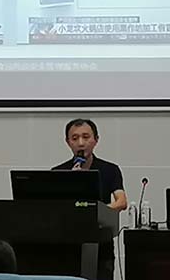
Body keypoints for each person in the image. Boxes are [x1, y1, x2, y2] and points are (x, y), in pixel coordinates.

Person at [52, 118, 127, 280]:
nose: (81, 143)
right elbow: (53, 207)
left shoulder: (110, 169)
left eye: (86, 137)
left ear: (96, 140)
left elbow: (121, 202)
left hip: (100, 243)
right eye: (75, 138)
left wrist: (95, 211)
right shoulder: (58, 172)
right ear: (68, 142)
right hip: (67, 244)